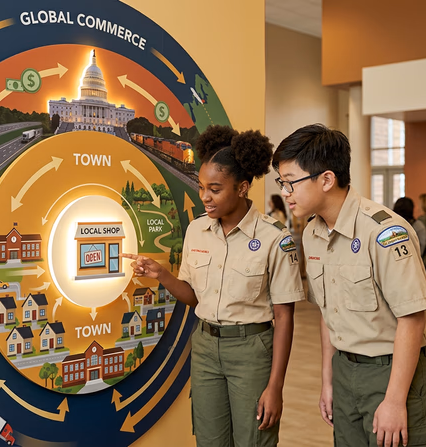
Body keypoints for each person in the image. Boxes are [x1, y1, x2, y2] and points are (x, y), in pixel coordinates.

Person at [124, 125, 304, 447]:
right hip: (205, 348)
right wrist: (162, 274)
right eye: (202, 186)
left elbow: (285, 316)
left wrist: (275, 386)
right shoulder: (196, 231)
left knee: (254, 440)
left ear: (242, 188)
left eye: (215, 189)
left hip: (251, 351)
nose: (204, 196)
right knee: (210, 441)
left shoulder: (274, 238)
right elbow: (194, 298)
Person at [273, 124, 426, 447]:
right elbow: (327, 312)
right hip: (344, 369)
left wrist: (394, 401)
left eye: (291, 182)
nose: (285, 192)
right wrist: (328, 380)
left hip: (391, 370)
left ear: (326, 179)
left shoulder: (385, 232)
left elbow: (412, 318)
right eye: (282, 183)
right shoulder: (312, 234)